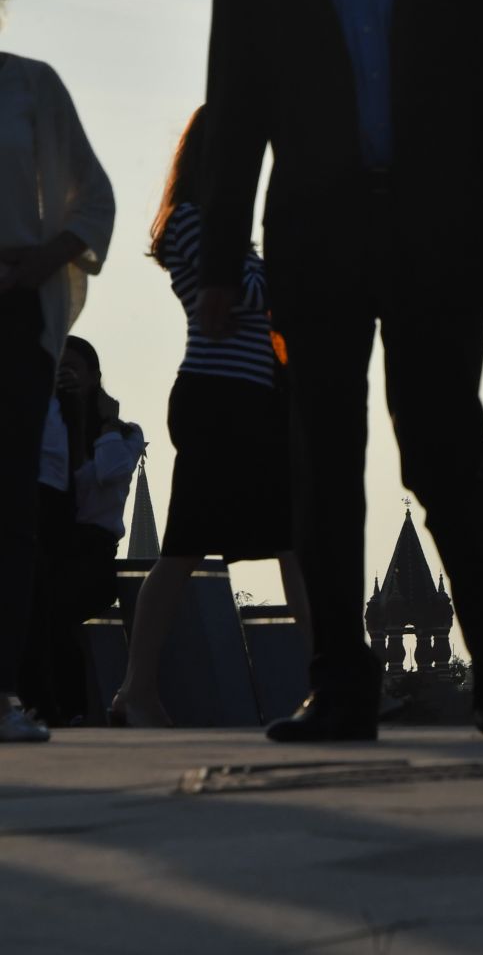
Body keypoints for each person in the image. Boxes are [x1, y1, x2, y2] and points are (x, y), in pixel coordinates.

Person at [196, 0, 483, 742]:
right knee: (324, 463)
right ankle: (341, 684)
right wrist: (220, 266)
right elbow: (234, 130)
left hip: (437, 233)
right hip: (318, 242)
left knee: (442, 451)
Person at [111, 109, 311, 728]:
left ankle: (328, 675)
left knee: (289, 543)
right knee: (185, 549)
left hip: (251, 402)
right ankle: (137, 688)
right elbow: (235, 295)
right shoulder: (190, 225)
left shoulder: (221, 232)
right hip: (218, 402)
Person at [0, 0, 116, 743]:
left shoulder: (32, 89)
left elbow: (92, 203)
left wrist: (43, 255)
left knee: (9, 506)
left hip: (12, 311)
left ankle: (2, 687)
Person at [22, 337, 143, 725]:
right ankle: (44, 708)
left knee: (53, 614)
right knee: (33, 614)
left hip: (93, 553)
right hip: (53, 544)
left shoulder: (124, 433)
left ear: (94, 376)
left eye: (74, 366)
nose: (67, 372)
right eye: (60, 365)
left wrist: (105, 421)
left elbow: (108, 472)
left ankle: (69, 711)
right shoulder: (49, 425)